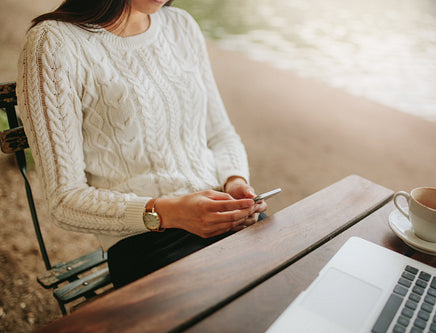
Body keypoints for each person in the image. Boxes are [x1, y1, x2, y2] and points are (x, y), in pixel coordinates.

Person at [17, 0, 267, 288]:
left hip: (224, 214)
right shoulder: (53, 43)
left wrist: (235, 181)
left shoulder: (180, 25)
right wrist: (170, 212)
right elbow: (65, 201)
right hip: (149, 243)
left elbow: (220, 134)